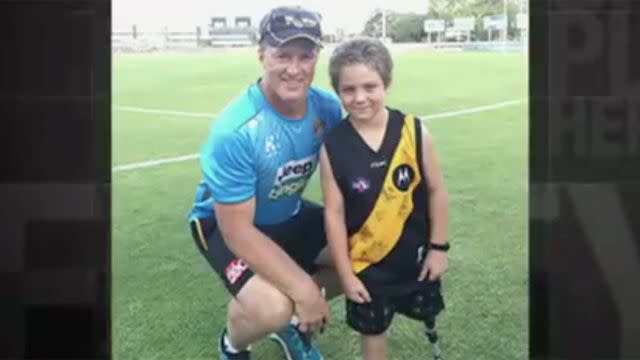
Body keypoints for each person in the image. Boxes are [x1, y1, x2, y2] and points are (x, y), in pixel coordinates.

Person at [187, 6, 343, 360]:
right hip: (222, 225)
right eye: (282, 55)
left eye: (305, 56)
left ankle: (290, 321)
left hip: (286, 213)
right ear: (261, 56)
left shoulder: (327, 109)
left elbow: (346, 177)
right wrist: (304, 290)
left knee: (367, 252)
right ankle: (234, 345)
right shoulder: (236, 131)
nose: (294, 68)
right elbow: (238, 233)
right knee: (273, 306)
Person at [319, 37, 450, 360]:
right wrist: (346, 275)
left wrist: (438, 248)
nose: (360, 98)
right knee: (373, 335)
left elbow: (436, 191)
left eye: (370, 86)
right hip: (368, 268)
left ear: (387, 84)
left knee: (425, 316)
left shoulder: (415, 132)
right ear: (338, 91)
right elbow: (333, 214)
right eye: (349, 90)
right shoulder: (332, 146)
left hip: (417, 261)